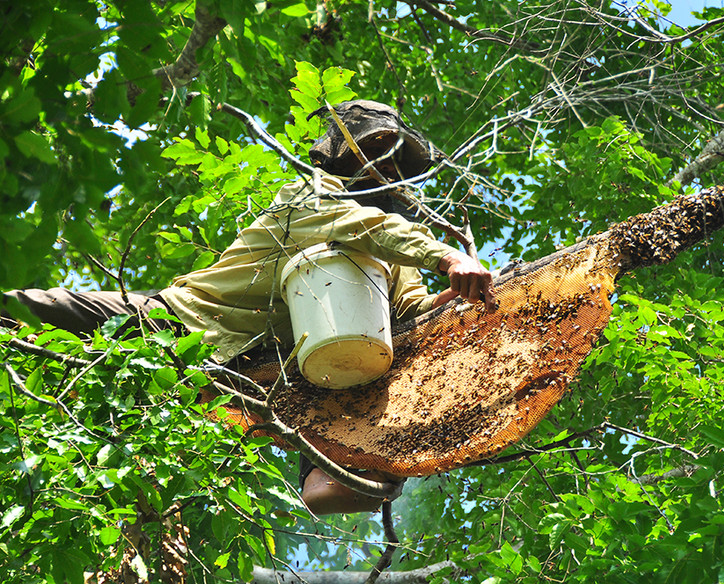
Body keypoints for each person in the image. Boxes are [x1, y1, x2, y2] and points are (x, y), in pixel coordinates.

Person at [1, 100, 496, 515]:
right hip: (187, 321)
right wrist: (446, 255)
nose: (387, 164)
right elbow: (363, 226)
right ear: (342, 157)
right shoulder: (316, 197)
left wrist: (451, 296)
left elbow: (408, 310)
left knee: (378, 368)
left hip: (258, 372)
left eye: (394, 157)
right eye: (373, 150)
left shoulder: (394, 247)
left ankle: (338, 464)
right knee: (50, 312)